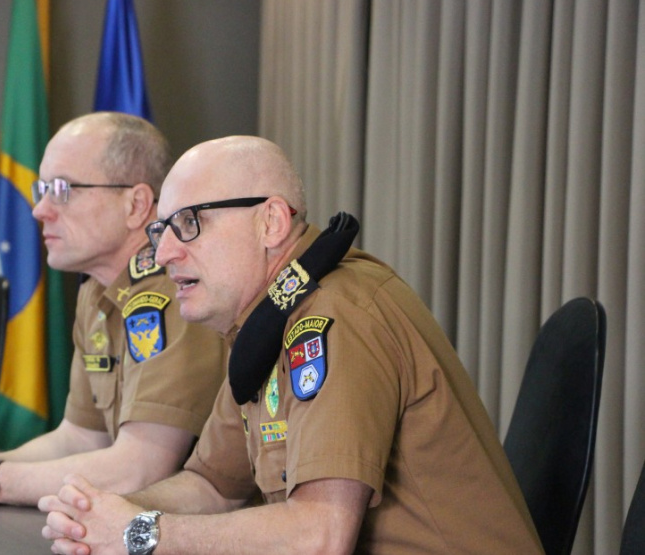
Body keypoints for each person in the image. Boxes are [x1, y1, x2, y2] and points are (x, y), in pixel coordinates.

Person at [39, 136, 544, 554]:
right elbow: (212, 486)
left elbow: (319, 535)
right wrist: (102, 516)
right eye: (162, 230)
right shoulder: (263, 324)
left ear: (272, 222)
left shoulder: (333, 314)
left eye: (190, 223)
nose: (166, 252)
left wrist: (141, 535)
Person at [0, 112, 228, 507]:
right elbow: (79, 437)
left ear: (136, 205)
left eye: (63, 189)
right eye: (43, 189)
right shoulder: (98, 292)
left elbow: (139, 468)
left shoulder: (175, 291)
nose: (40, 210)